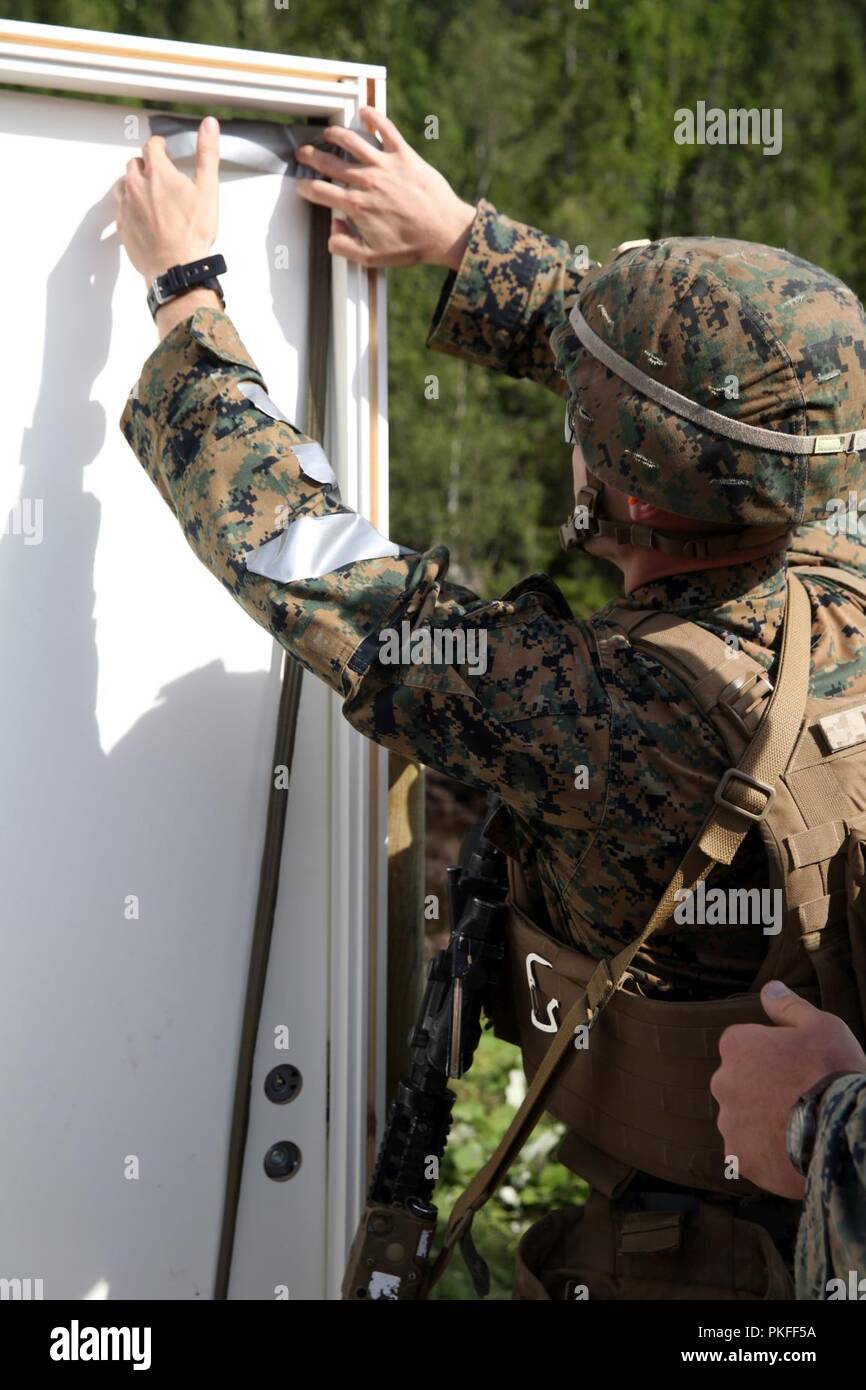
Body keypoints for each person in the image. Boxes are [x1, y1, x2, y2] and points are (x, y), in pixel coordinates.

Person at [115, 111, 866, 1299]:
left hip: (692, 1271)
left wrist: (184, 290)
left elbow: (291, 545)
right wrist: (467, 242)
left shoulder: (594, 715)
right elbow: (750, 396)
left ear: (609, 473)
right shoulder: (835, 558)